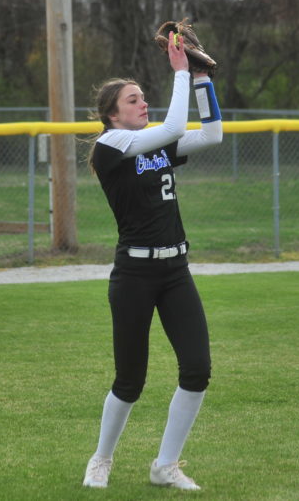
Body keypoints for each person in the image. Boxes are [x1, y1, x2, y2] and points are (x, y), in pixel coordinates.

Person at [82, 31, 223, 491]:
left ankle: (165, 465)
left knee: (197, 370)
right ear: (112, 114)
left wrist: (200, 79)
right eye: (133, 99)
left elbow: (212, 134)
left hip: (175, 271)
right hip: (135, 274)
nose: (143, 103)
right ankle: (101, 459)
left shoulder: (153, 144)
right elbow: (174, 127)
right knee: (130, 380)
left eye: (144, 97)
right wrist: (179, 72)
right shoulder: (111, 146)